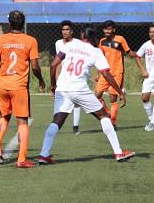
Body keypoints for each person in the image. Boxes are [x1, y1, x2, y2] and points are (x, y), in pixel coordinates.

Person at [37, 26, 135, 163]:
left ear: (82, 35)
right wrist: (120, 92)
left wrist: (53, 85)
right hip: (79, 89)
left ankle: (43, 154)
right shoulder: (95, 51)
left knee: (57, 121)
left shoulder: (70, 44)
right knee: (104, 116)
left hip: (63, 89)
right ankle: (119, 152)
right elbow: (106, 73)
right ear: (94, 37)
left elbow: (53, 65)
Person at [0, 10, 46, 168]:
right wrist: (41, 80)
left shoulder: (1, 40)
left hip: (2, 84)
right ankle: (21, 159)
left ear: (9, 23)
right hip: (19, 86)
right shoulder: (30, 40)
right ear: (23, 23)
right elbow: (34, 66)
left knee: (4, 117)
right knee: (22, 122)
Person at [96, 20, 143, 129]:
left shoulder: (120, 39)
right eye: (105, 28)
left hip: (117, 72)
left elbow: (128, 52)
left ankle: (113, 122)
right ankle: (107, 112)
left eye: (109, 28)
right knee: (97, 96)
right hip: (105, 72)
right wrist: (98, 73)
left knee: (113, 98)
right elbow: (99, 58)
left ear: (113, 29)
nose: (107, 31)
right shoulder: (102, 41)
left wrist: (137, 55)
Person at [51, 21, 82, 134]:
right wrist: (56, 77)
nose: (65, 32)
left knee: (77, 102)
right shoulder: (58, 43)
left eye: (67, 29)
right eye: (63, 30)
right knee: (59, 101)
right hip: (63, 78)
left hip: (75, 77)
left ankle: (75, 127)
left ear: (72, 31)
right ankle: (55, 124)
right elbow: (58, 62)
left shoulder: (78, 43)